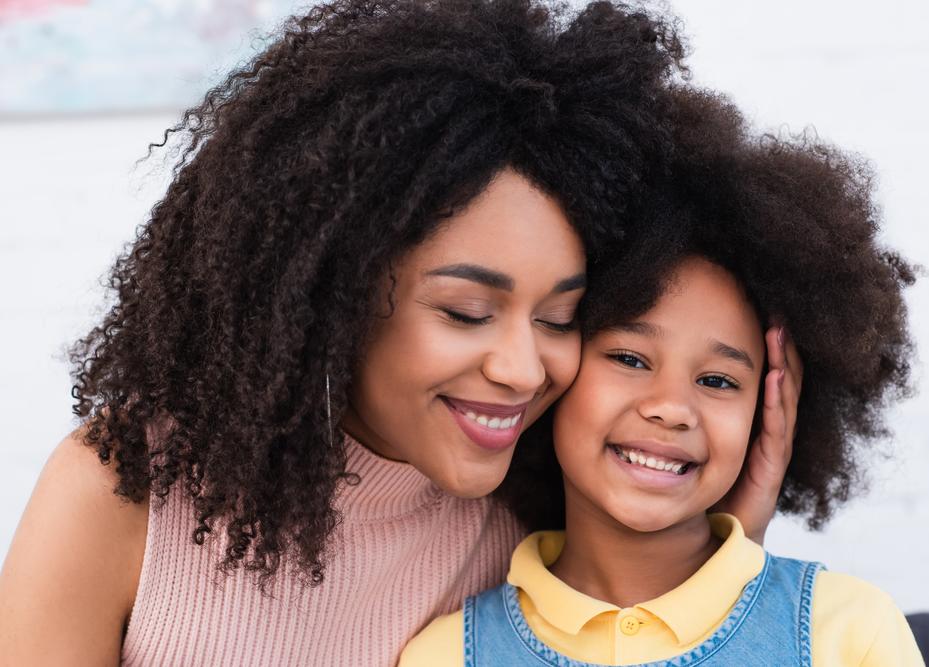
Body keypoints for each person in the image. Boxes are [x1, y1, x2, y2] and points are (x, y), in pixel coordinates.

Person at [0, 2, 800, 665]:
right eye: (465, 312)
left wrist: (722, 538)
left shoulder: (527, 520)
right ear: (333, 296)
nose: (523, 370)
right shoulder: (123, 492)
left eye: (559, 318)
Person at [400, 85, 923, 666]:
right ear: (557, 372)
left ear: (765, 413)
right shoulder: (446, 654)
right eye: (629, 359)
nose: (672, 407)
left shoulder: (849, 633)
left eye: (719, 381)